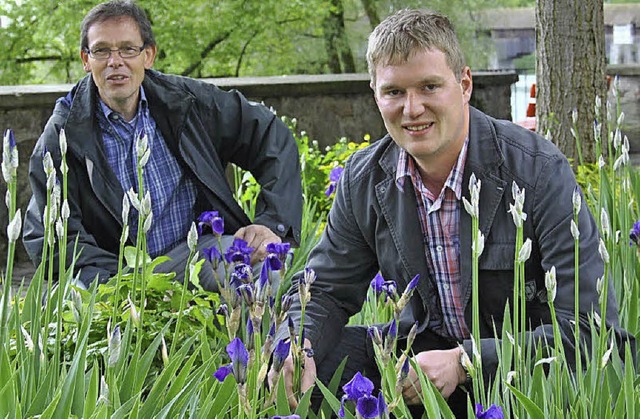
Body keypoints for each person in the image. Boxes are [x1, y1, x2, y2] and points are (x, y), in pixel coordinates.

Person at [270, 8, 632, 416]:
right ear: (375, 93)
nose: (412, 109)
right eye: (393, 92)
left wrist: (465, 361)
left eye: (429, 86)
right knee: (313, 362)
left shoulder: (537, 171)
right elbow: (324, 290)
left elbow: (592, 331)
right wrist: (294, 344)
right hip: (420, 364)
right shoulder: (365, 179)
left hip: (521, 372)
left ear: (464, 84)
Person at [22, 0, 302, 290]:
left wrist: (272, 225)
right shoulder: (64, 133)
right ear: (85, 59)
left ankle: (248, 338)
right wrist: (117, 283)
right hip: (116, 274)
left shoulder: (187, 102)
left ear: (148, 55)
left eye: (128, 49)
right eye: (102, 50)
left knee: (259, 267)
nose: (115, 61)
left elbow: (271, 135)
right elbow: (48, 234)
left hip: (194, 253)